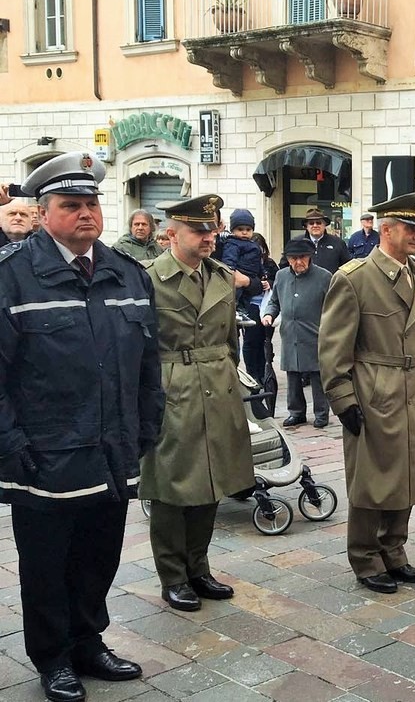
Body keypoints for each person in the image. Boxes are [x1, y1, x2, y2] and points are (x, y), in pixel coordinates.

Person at [0, 154, 163, 702]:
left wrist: (148, 426)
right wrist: (9, 442)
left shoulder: (128, 272)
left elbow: (148, 363)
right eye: (71, 206)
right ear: (44, 214)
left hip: (112, 447)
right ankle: (53, 658)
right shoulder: (12, 276)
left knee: (100, 556)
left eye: (92, 203)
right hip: (44, 453)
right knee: (46, 566)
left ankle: (89, 642)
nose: (86, 215)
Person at [142, 195, 254, 615]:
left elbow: (229, 340)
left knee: (212, 479)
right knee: (173, 485)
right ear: (172, 234)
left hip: (218, 384)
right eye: (199, 230)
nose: (209, 237)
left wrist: (230, 376)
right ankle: (173, 576)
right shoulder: (150, 278)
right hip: (174, 387)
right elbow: (140, 347)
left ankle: (199, 566)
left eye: (212, 229)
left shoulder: (222, 275)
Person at [319, 191, 415, 594]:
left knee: (405, 473)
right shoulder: (354, 278)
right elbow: (334, 348)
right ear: (386, 230)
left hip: (412, 388)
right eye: (410, 228)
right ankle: (366, 557)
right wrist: (343, 400)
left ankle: (394, 550)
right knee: (372, 478)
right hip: (374, 388)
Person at [261, 239, 333, 428]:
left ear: (310, 257)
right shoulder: (281, 275)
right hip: (290, 333)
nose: (298, 262)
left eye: (302, 258)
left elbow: (334, 306)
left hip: (316, 333)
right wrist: (269, 314)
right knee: (292, 374)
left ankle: (321, 413)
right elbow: (274, 300)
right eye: (293, 258)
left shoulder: (324, 277)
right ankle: (296, 412)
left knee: (318, 376)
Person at [245, 232, 280, 389]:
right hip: (251, 305)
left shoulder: (270, 264)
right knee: (251, 341)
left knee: (265, 341)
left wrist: (269, 283)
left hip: (267, 305)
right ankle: (253, 374)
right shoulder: (245, 263)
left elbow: (278, 280)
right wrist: (257, 284)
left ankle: (265, 371)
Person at [296, 207, 351, 274]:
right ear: (306, 226)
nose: (315, 225)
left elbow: (348, 267)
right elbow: (285, 266)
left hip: (331, 284)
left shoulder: (338, 243)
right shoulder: (296, 243)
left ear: (325, 225)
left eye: (319, 223)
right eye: (311, 223)